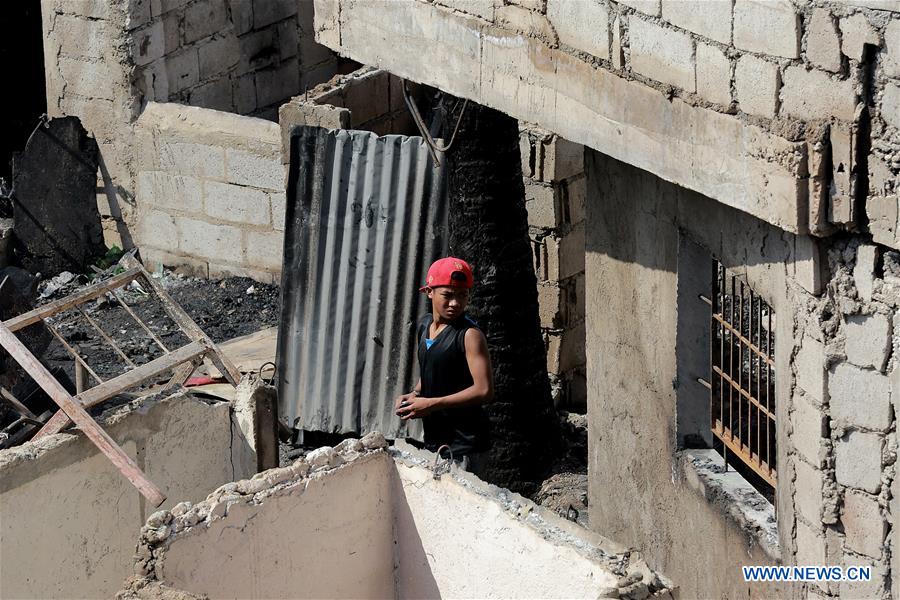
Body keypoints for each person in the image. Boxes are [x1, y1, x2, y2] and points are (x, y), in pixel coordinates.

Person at [394, 257, 493, 470]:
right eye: (447, 295)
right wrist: (416, 394)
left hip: (465, 446)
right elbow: (434, 368)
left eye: (462, 295)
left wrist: (430, 404)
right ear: (429, 292)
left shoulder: (469, 335)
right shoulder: (424, 325)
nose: (455, 303)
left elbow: (484, 390)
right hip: (437, 441)